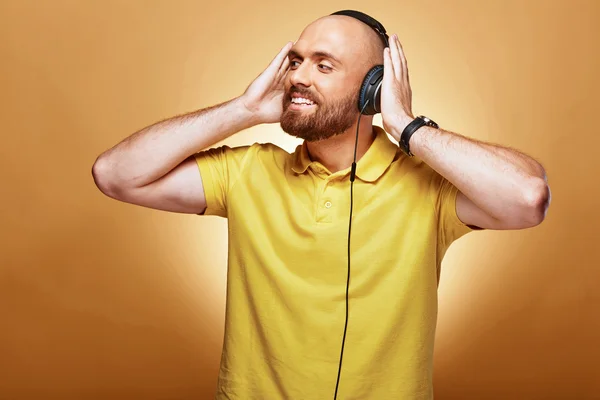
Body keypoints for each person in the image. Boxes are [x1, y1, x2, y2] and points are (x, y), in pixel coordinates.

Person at [92, 9, 551, 400]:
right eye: (296, 61)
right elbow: (115, 175)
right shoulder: (246, 172)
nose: (297, 76)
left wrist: (408, 126)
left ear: (373, 88)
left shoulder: (429, 188)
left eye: (323, 65)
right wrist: (243, 111)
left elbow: (527, 197)